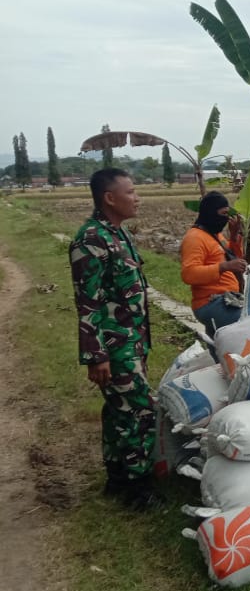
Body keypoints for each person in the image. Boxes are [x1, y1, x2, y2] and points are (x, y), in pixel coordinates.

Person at [69, 168, 161, 509]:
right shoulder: (91, 240)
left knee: (118, 411)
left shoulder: (118, 235)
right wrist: (96, 355)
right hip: (114, 345)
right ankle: (139, 488)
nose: (137, 198)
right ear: (110, 198)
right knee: (140, 411)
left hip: (132, 341)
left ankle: (117, 476)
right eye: (131, 191)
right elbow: (87, 301)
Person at [180, 191, 248, 340]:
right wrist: (224, 267)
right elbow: (188, 274)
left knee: (221, 350)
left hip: (225, 299)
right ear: (211, 213)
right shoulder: (195, 238)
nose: (225, 219)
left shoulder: (215, 235)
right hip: (213, 302)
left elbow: (232, 256)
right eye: (223, 214)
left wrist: (235, 235)